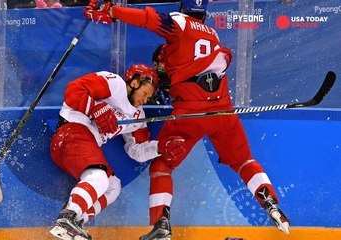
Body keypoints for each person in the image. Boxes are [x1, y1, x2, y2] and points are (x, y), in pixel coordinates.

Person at [84, 0, 290, 239]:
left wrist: (112, 11)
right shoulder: (213, 35)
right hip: (223, 112)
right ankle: (272, 205)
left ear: (184, 10)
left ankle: (161, 226)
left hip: (190, 113)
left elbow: (148, 19)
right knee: (244, 161)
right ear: (204, 14)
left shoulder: (180, 23)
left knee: (163, 165)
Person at [49, 63, 187, 240]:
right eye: (145, 93)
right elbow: (74, 90)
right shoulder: (114, 84)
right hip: (71, 133)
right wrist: (95, 109)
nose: (146, 100)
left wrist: (161, 147)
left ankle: (77, 220)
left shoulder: (137, 116)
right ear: (135, 82)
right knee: (98, 177)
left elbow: (136, 150)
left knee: (113, 187)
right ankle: (67, 219)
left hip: (83, 144)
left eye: (149, 97)